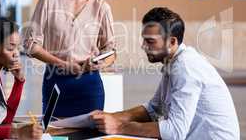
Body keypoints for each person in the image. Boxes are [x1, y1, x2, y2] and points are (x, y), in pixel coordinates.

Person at [91, 7, 240, 139]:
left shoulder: (185, 68)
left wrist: (119, 127)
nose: (143, 46)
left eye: (150, 41)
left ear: (172, 42)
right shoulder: (175, 62)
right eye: (144, 40)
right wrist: (113, 117)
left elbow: (174, 132)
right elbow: (154, 108)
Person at [23, 0, 116, 117]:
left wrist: (101, 63)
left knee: (89, 135)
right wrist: (63, 65)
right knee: (53, 132)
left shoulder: (101, 7)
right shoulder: (48, 0)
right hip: (55, 80)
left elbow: (110, 51)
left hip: (89, 84)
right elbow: (31, 45)